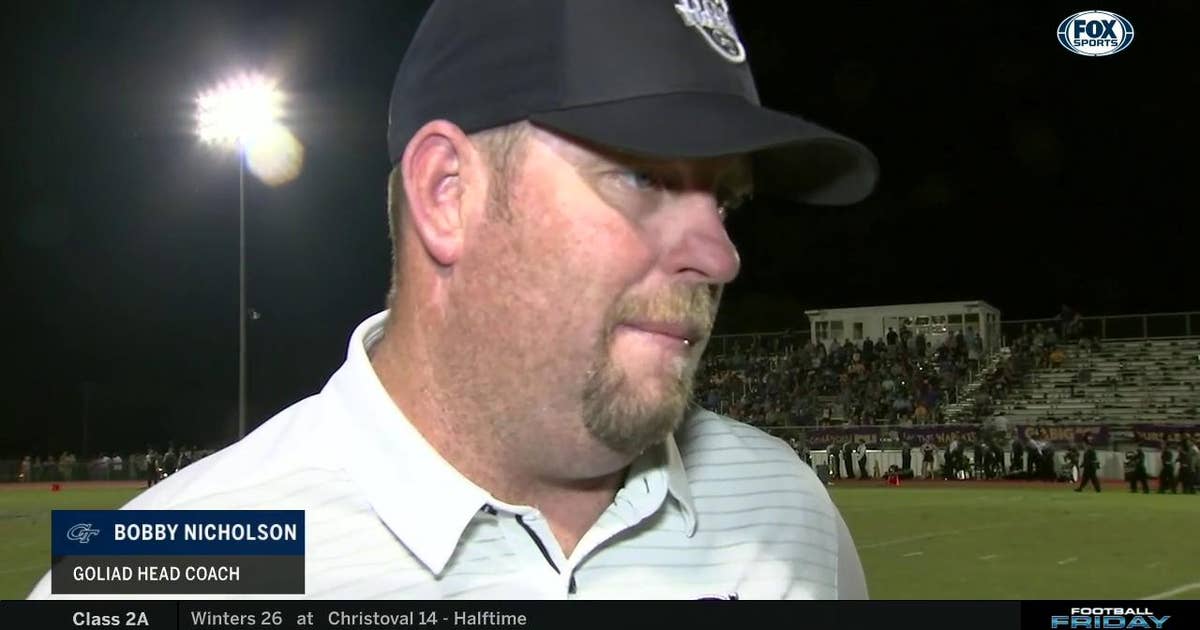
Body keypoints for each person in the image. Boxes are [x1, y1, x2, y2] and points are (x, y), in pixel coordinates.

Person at [29, 0, 878, 600]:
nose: (721, 256)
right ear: (446, 192)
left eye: (725, 201)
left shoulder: (787, 511)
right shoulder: (171, 566)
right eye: (643, 175)